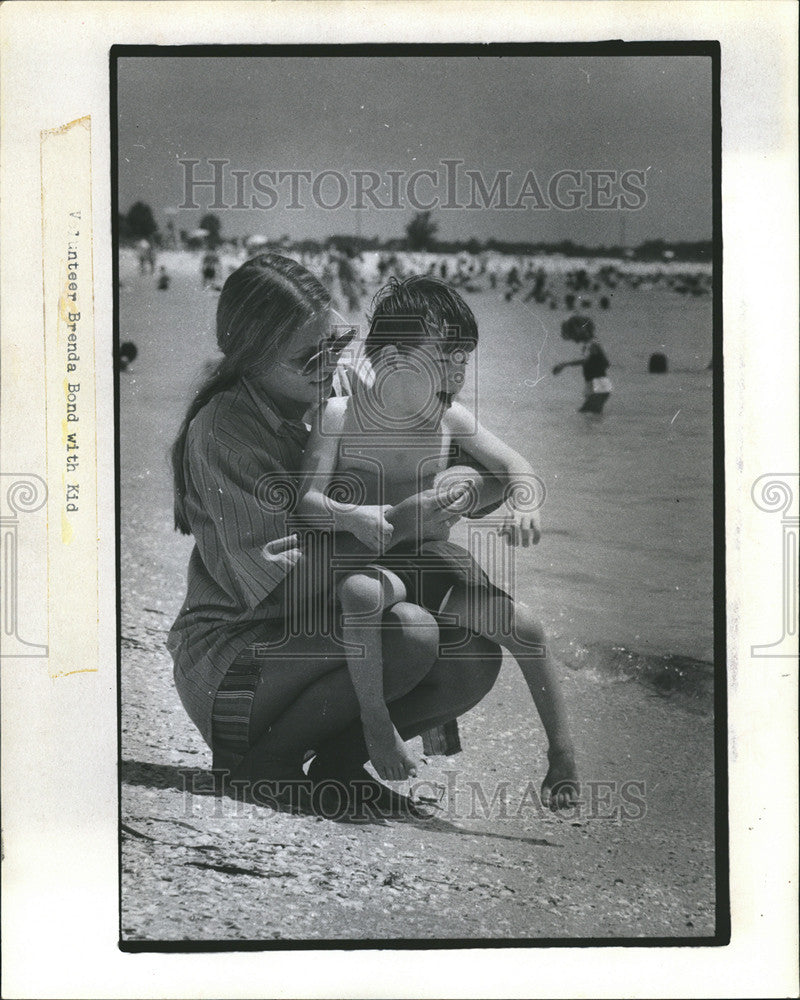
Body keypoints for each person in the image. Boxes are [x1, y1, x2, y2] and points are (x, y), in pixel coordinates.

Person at [167, 254, 504, 819]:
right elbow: (284, 592)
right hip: (237, 665)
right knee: (412, 633)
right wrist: (401, 524)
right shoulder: (223, 432)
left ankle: (339, 766)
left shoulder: (341, 387)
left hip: (318, 639)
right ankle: (263, 765)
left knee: (475, 655)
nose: (330, 363)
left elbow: (483, 462)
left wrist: (458, 483)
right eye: (308, 357)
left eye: (338, 342)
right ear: (251, 359)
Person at [295, 276, 578, 802]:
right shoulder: (339, 416)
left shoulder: (450, 420)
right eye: (445, 356)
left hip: (430, 566)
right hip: (366, 560)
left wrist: (527, 504)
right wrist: (354, 514)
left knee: (527, 628)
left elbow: (515, 465)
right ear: (397, 357)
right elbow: (307, 502)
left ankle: (561, 755)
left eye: (464, 358)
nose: (458, 370)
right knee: (360, 595)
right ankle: (377, 726)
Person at [553, 338, 612, 414]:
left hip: (598, 386)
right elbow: (582, 361)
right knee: (593, 412)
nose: (590, 350)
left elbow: (581, 361)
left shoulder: (594, 359)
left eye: (591, 348)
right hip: (601, 387)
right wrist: (564, 365)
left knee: (586, 411)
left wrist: (563, 365)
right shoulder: (599, 359)